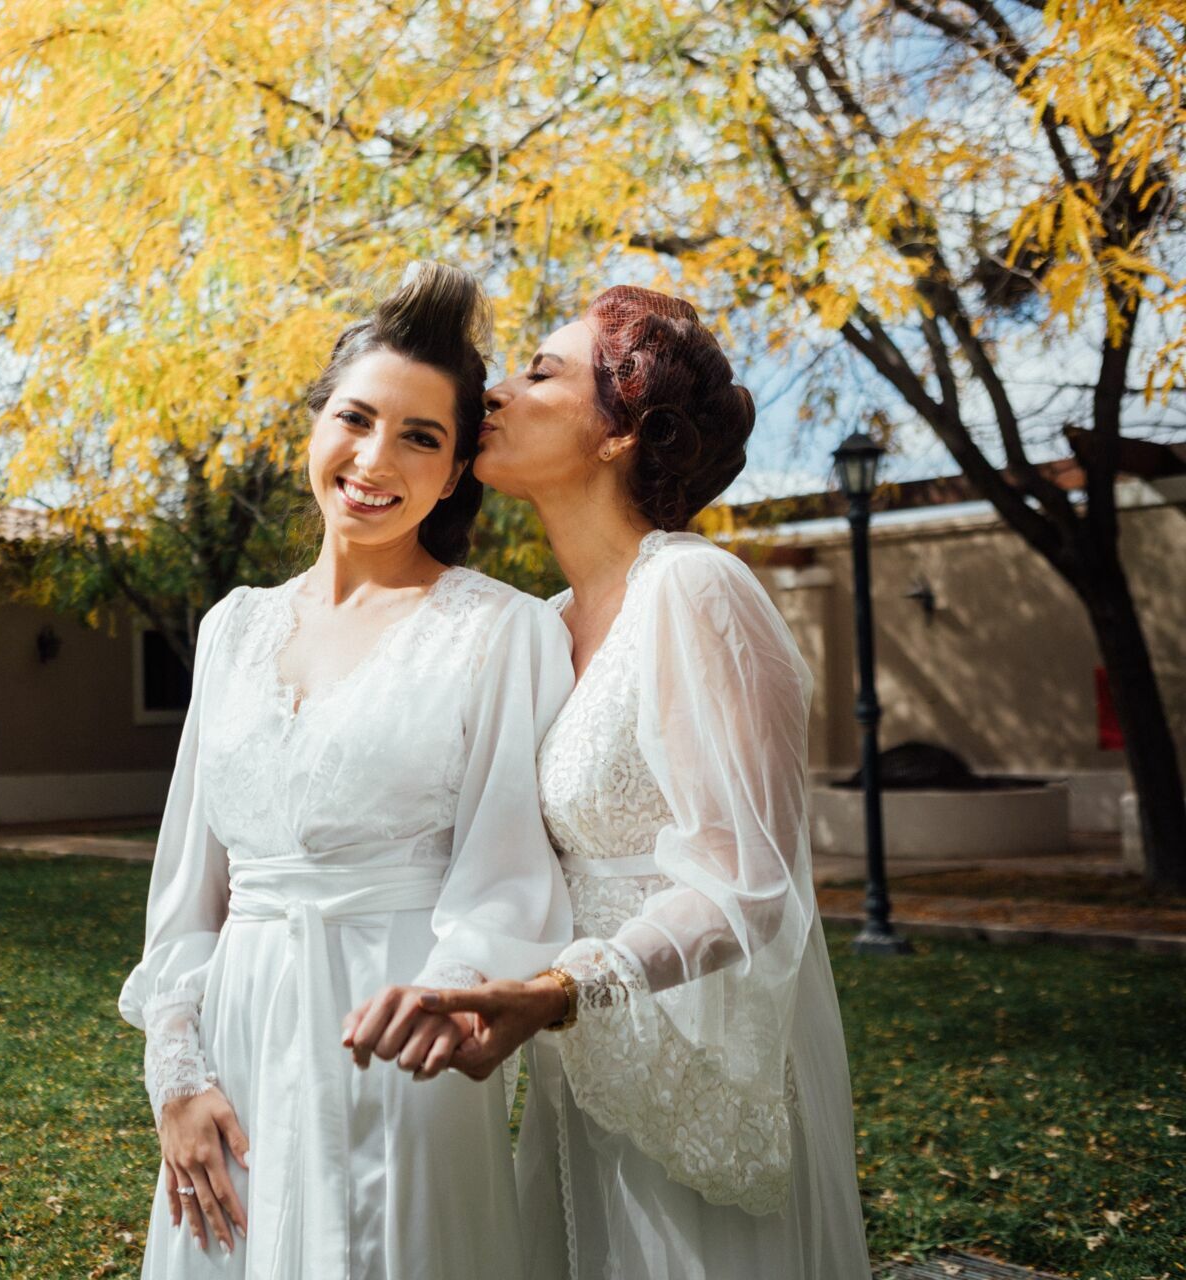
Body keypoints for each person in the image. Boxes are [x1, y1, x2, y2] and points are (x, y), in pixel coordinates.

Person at [352, 285, 873, 1278]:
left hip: (691, 1055)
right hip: (577, 1056)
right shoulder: (543, 626)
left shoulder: (695, 587)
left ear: (622, 431)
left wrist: (563, 987)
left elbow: (748, 879)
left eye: (541, 373)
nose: (495, 393)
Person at [117, 263, 575, 1279]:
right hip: (234, 1038)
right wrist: (176, 1076)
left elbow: (506, 871)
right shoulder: (234, 626)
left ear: (454, 473)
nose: (374, 459)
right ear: (315, 425)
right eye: (356, 419)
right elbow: (189, 883)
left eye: (420, 437)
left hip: (399, 1041)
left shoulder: (501, 630)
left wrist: (442, 1005)